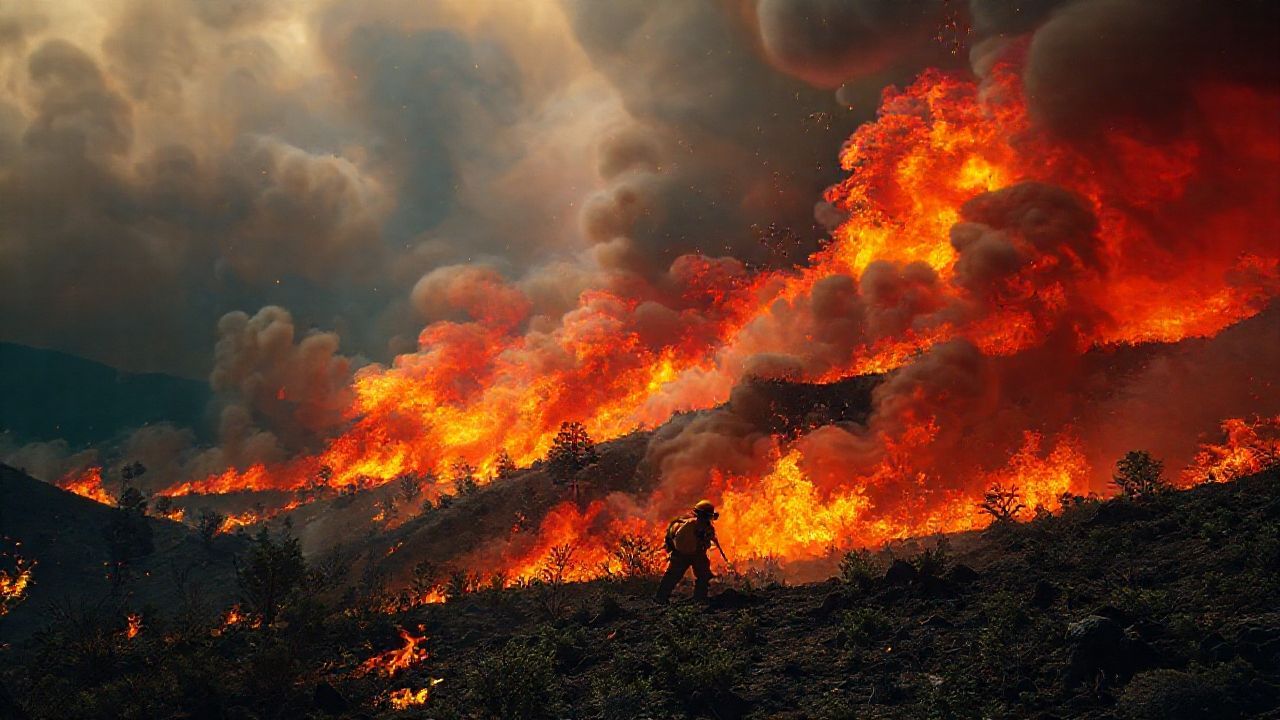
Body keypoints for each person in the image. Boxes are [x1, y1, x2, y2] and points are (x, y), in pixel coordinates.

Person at [654, 500, 720, 604]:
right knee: (674, 575)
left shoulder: (701, 526)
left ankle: (699, 598)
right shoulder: (690, 527)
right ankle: (661, 597)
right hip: (684, 554)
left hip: (689, 553)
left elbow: (706, 544)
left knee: (701, 574)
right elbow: (685, 544)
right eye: (704, 517)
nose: (705, 520)